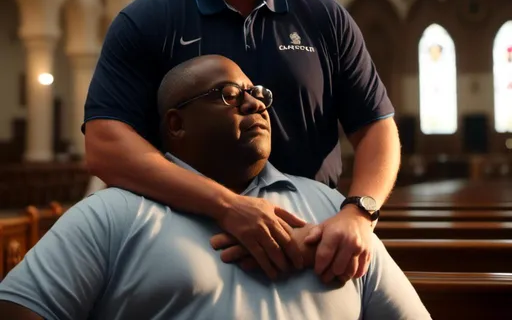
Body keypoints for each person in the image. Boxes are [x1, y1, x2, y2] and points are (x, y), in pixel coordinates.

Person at [83, 0, 401, 282]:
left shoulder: (325, 20)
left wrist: (359, 213)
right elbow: (105, 143)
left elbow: (378, 128)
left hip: (316, 242)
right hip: (188, 240)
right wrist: (225, 206)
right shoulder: (152, 18)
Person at [0, 56, 429, 320]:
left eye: (258, 93)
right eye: (228, 94)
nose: (254, 103)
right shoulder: (113, 214)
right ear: (176, 124)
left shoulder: (330, 207)